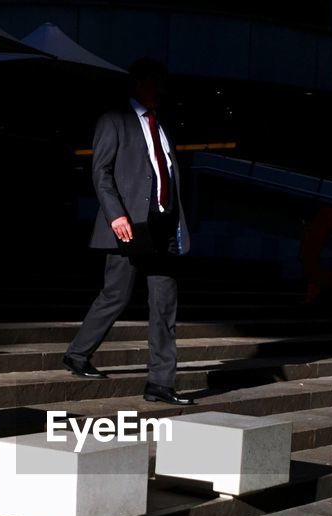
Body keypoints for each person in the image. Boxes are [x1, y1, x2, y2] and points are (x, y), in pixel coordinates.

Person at [62, 57, 193, 405]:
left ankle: (160, 383)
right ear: (138, 83)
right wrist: (115, 215)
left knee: (164, 303)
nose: (160, 89)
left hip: (162, 226)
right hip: (130, 226)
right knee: (116, 295)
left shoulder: (162, 126)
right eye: (154, 82)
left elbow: (164, 173)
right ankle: (77, 353)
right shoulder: (114, 119)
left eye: (162, 83)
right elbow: (100, 172)